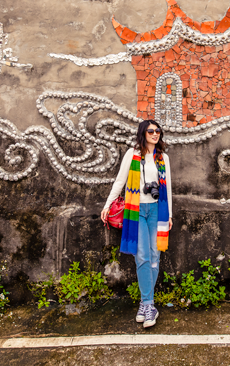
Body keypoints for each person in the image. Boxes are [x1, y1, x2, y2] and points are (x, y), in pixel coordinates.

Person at [100, 119, 173, 329]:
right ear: (143, 133)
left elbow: (168, 187)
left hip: (157, 211)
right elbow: (120, 181)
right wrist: (108, 205)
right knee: (142, 255)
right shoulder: (132, 154)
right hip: (137, 210)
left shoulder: (163, 158)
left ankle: (146, 303)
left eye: (158, 130)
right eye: (151, 131)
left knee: (154, 255)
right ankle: (148, 304)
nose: (155, 134)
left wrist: (170, 215)